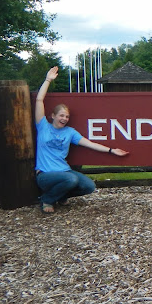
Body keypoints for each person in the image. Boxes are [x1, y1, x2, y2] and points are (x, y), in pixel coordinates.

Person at [35, 66, 129, 214]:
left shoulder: (70, 132)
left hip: (64, 171)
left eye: (66, 117)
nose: (64, 119)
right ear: (53, 116)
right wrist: (48, 80)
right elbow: (39, 100)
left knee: (88, 186)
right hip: (45, 175)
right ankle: (47, 199)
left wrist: (111, 150)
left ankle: (61, 195)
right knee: (71, 180)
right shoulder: (43, 127)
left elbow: (89, 144)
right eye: (61, 115)